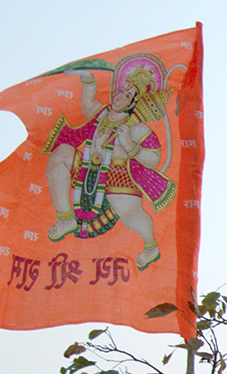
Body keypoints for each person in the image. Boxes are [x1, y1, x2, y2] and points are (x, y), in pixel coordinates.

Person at [43, 55, 176, 270]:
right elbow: (87, 102)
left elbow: (154, 158)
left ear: (133, 104)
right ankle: (66, 217)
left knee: (131, 215)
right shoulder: (101, 114)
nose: (120, 97)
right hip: (85, 168)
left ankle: (150, 246)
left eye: (127, 96)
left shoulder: (135, 128)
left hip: (117, 177)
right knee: (61, 154)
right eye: (122, 92)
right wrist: (87, 77)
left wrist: (131, 146)